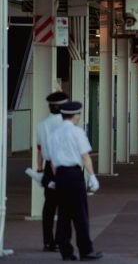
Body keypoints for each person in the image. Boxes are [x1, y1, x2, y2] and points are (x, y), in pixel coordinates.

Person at [50, 101, 102, 261]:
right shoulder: (77, 133)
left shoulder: (54, 134)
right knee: (80, 215)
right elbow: (85, 156)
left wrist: (55, 178)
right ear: (75, 115)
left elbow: (52, 160)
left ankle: (66, 251)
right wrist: (92, 176)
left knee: (64, 215)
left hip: (60, 175)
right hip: (74, 175)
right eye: (78, 114)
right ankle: (85, 250)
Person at [38, 91, 69, 252]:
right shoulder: (65, 124)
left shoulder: (42, 125)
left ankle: (47, 242)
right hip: (64, 169)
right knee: (63, 207)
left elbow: (40, 149)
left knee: (48, 207)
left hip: (48, 169)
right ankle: (59, 241)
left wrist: (40, 168)